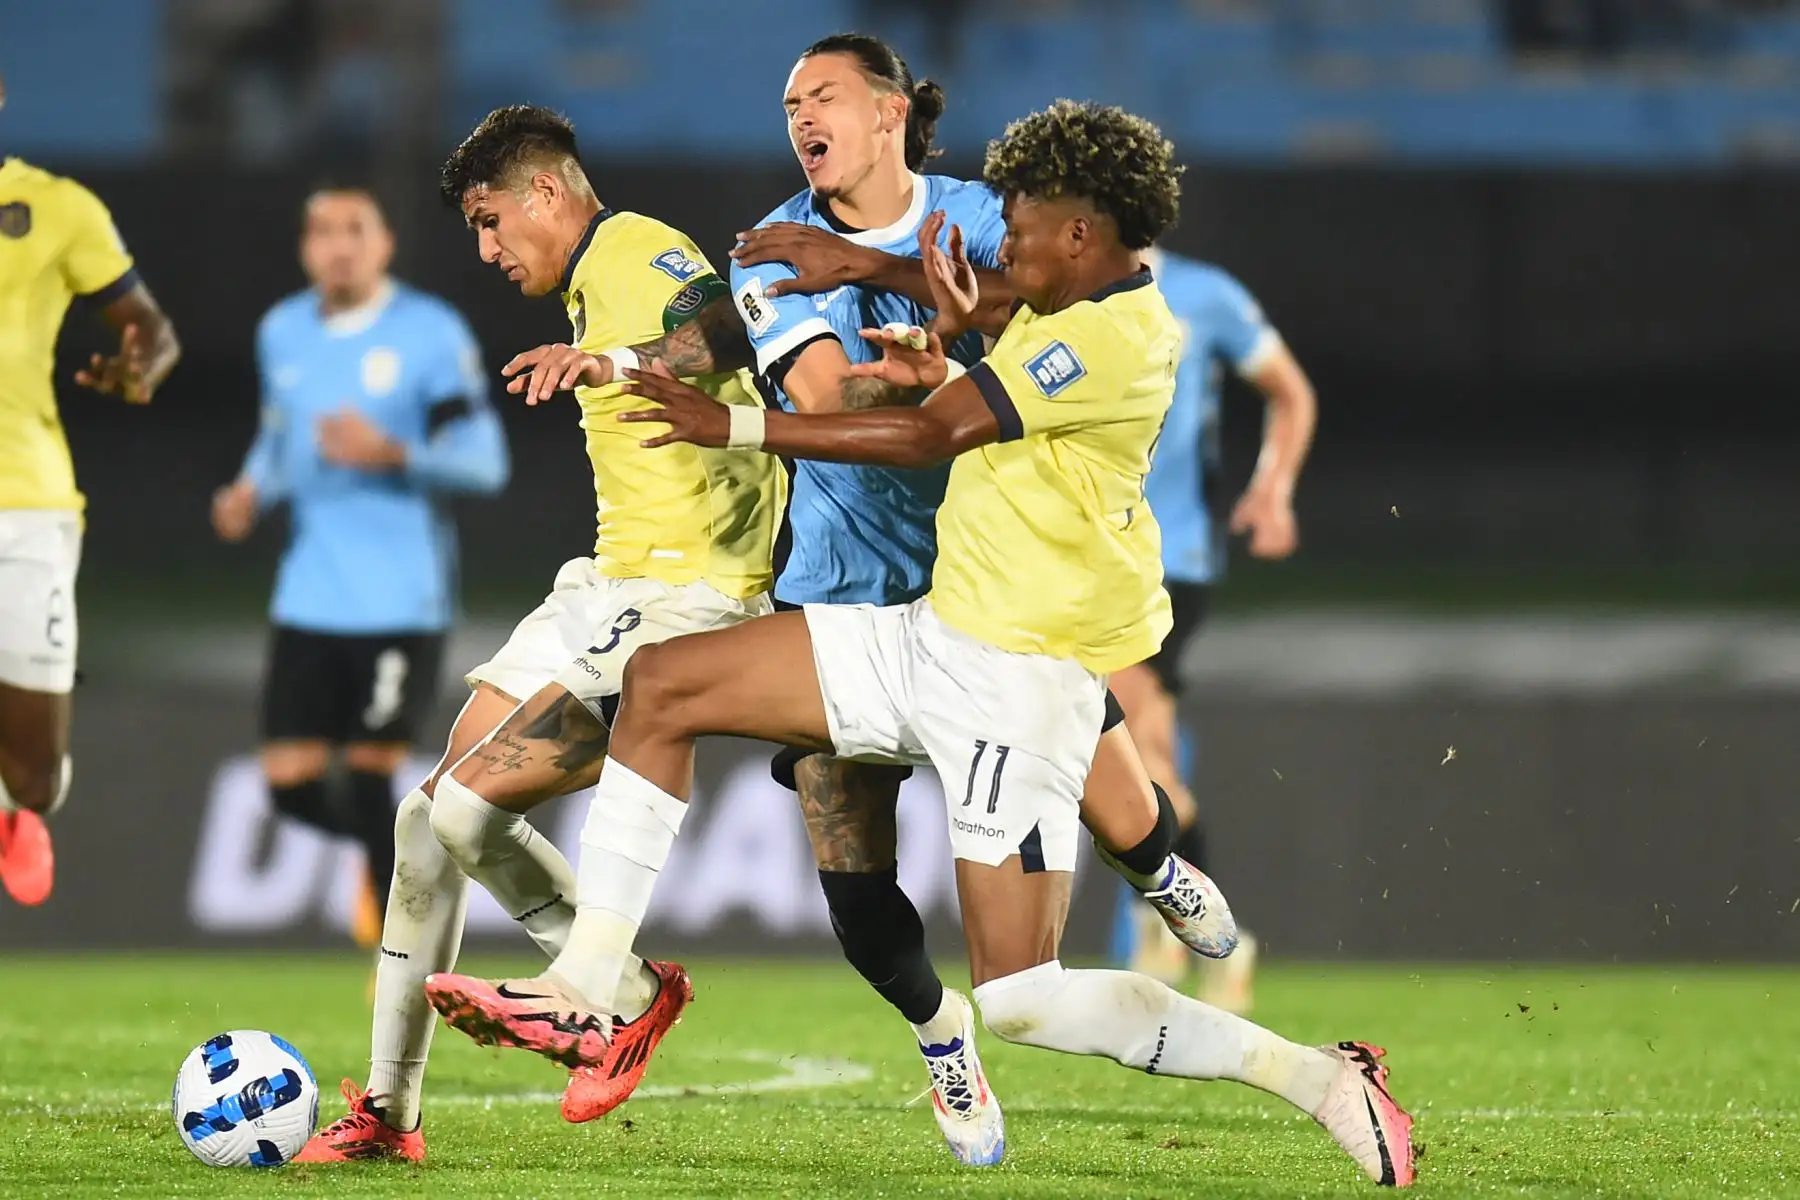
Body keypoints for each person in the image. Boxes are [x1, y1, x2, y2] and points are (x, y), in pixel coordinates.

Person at [423, 99, 1416, 1187]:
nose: (1005, 242)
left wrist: (737, 422)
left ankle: (1318, 1076)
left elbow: (929, 436)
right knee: (662, 685)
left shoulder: (1112, 334)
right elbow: (982, 303)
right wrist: (893, 300)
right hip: (926, 632)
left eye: (1023, 223)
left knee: (1023, 999)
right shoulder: (1062, 293)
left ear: (1079, 235)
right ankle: (588, 988)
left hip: (1016, 681)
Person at [296, 105, 785, 1163]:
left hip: (685, 597)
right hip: (606, 584)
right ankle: (389, 1112)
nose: (486, 249)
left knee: (471, 810)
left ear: (547, 194)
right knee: (427, 824)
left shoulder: (635, 248)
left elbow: (733, 328)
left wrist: (615, 362)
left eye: (489, 220)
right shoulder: (587, 279)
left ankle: (620, 997)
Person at [211, 185, 510, 948]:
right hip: (309, 595)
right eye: (321, 230)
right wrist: (251, 490)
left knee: (370, 770)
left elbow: (484, 462)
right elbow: (278, 441)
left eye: (355, 230)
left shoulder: (429, 334)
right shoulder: (282, 331)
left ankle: (396, 947)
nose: (338, 245)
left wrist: (393, 453)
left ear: (384, 245)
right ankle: (401, 858)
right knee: (288, 784)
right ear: (306, 246)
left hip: (400, 597)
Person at [1111, 244, 1317, 1009]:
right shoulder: (1047, 284)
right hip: (1088, 557)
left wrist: (1273, 490)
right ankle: (1208, 928)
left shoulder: (1203, 294)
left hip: (1172, 559)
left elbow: (1289, 392)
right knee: (1148, 755)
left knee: (1128, 738)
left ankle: (1166, 921)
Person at [0, 70, 182, 907]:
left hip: (25, 505)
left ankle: (17, 807)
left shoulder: (56, 206)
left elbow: (150, 327)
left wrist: (140, 364)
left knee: (33, 772)